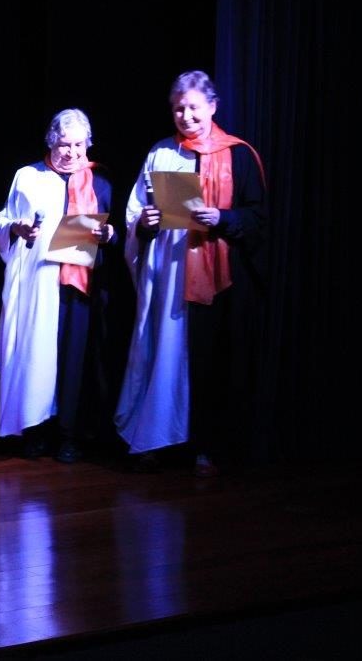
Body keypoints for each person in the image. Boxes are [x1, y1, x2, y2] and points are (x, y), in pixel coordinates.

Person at [114, 70, 267, 477]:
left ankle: (205, 446)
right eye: (179, 109)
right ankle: (156, 441)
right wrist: (145, 223)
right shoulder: (161, 153)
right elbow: (136, 211)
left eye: (194, 108)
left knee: (208, 360)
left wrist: (222, 217)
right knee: (162, 356)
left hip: (217, 279)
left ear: (213, 106)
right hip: (168, 277)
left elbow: (258, 218)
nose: (186, 116)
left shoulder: (238, 155)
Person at [0, 108, 118, 463]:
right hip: (38, 283)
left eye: (79, 145)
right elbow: (2, 222)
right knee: (37, 357)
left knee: (73, 361)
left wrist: (109, 235)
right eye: (65, 144)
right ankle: (36, 430)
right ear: (52, 142)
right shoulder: (29, 177)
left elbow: (115, 232)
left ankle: (68, 434)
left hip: (78, 285)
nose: (72, 152)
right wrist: (16, 229)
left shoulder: (99, 182)